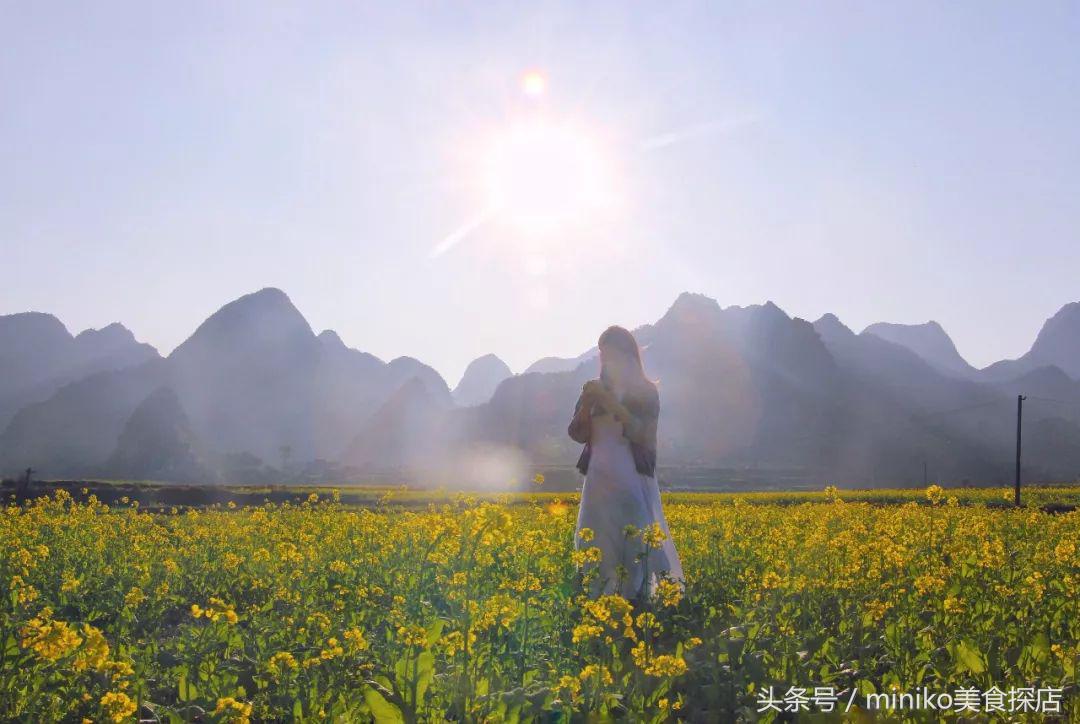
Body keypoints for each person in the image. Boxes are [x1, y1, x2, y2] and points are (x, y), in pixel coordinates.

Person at [568, 325, 683, 599]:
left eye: (613, 354)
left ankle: (641, 611)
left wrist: (610, 402)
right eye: (603, 355)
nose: (607, 361)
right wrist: (586, 404)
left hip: (632, 478)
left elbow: (644, 435)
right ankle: (600, 611)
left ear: (629, 354)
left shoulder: (645, 392)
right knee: (596, 547)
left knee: (637, 548)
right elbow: (576, 434)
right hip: (598, 481)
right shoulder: (594, 390)